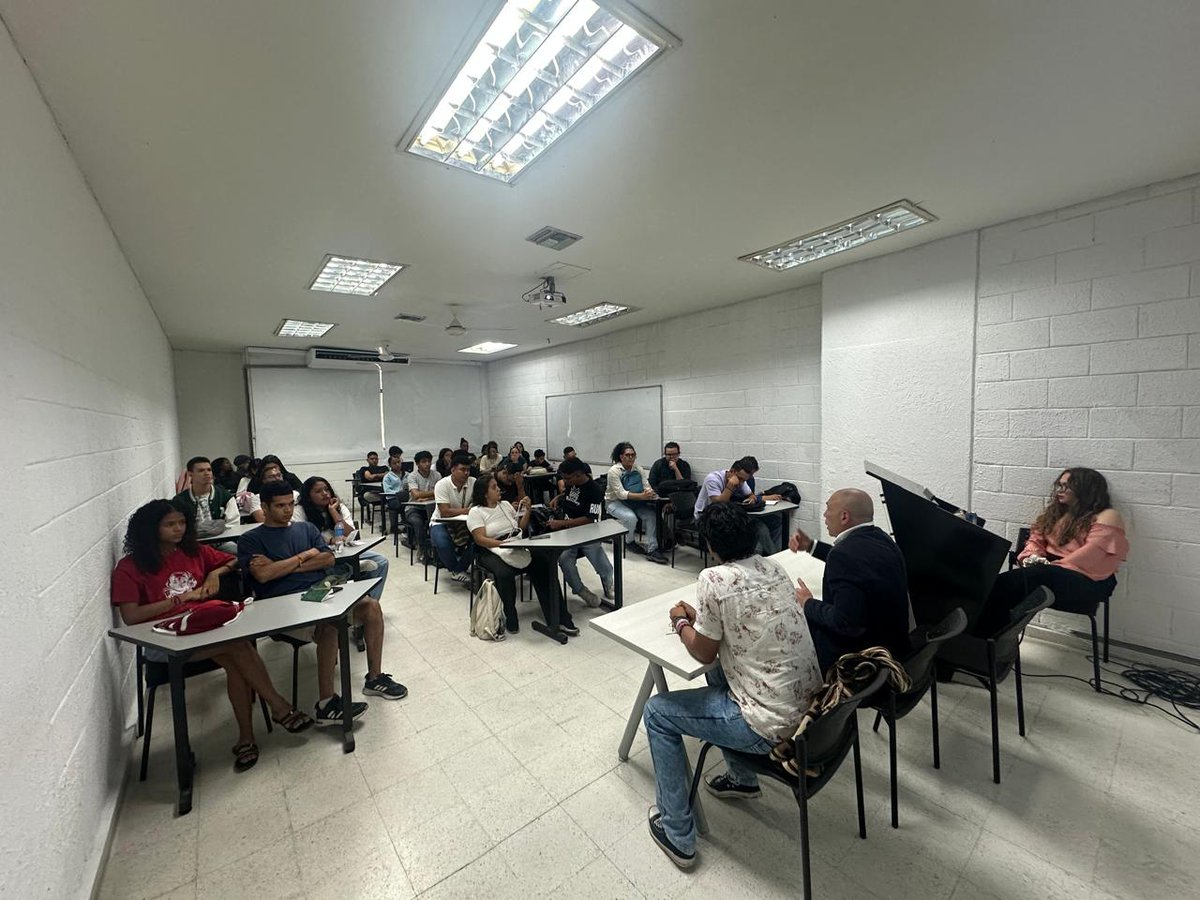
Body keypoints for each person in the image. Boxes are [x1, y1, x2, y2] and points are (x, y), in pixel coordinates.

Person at [643, 503, 822, 869]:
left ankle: (677, 834)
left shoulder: (712, 578)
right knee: (719, 674)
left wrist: (680, 623)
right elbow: (736, 627)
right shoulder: (773, 565)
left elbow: (703, 653)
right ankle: (741, 779)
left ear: (710, 545)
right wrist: (704, 620)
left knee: (657, 713)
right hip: (813, 714)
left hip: (770, 725)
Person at [112, 501, 314, 771]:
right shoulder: (130, 566)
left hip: (204, 628)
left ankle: (248, 738)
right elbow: (131, 617)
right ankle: (277, 708)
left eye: (182, 523)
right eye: (170, 525)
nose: (178, 529)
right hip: (163, 639)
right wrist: (180, 599)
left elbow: (233, 559)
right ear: (151, 529)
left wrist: (214, 574)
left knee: (235, 653)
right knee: (237, 648)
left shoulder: (191, 551)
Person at [239, 481, 407, 722]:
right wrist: (305, 555)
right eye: (279, 506)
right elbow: (263, 575)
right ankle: (326, 703)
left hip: (320, 593)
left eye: (289, 504)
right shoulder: (251, 540)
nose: (287, 510)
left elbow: (328, 560)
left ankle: (374, 678)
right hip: (283, 607)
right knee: (329, 624)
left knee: (371, 607)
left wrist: (282, 567)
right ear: (264, 507)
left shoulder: (305, 529)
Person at [975, 468, 1128, 637]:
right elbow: (1035, 540)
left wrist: (1050, 567)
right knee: (1006, 588)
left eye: (1066, 486)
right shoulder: (1056, 513)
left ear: (1085, 489)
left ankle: (982, 640)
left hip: (1087, 579)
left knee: (1011, 584)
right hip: (1048, 571)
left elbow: (1092, 555)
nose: (1060, 490)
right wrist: (1030, 558)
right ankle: (988, 639)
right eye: (1059, 486)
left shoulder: (1107, 515)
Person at [788, 488, 912, 671]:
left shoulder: (844, 555)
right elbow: (856, 564)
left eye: (828, 509)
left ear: (844, 516)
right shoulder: (883, 539)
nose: (824, 514)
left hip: (863, 659)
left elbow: (845, 623)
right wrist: (811, 546)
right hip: (894, 646)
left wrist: (807, 603)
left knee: (794, 623)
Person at [468, 473, 576, 637]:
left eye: (497, 486)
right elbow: (480, 539)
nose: (499, 489)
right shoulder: (476, 512)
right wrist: (503, 544)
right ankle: (510, 616)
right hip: (490, 549)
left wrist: (528, 510)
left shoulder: (504, 505)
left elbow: (520, 527)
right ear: (484, 493)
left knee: (544, 562)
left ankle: (559, 616)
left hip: (514, 543)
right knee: (504, 573)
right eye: (494, 487)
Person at [296, 476, 390, 602]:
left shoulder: (338, 507)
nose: (325, 494)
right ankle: (349, 577)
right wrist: (329, 541)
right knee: (337, 570)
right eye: (318, 491)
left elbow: (352, 534)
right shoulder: (300, 511)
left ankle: (371, 604)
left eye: (326, 490)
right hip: (320, 555)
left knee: (381, 562)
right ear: (308, 496)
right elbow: (302, 539)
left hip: (344, 550)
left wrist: (334, 512)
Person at [552, 458, 614, 607]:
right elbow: (571, 497)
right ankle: (581, 591)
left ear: (579, 474)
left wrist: (562, 523)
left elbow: (589, 519)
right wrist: (558, 498)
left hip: (588, 532)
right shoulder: (572, 484)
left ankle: (607, 579)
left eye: (567, 478)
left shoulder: (594, 490)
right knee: (564, 559)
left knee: (597, 555)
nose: (564, 481)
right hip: (568, 532)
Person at [695, 457, 780, 556]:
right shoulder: (712, 479)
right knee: (758, 528)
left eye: (743, 480)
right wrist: (730, 485)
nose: (740, 483)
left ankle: (770, 557)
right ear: (732, 471)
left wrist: (752, 499)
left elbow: (751, 494)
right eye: (739, 479)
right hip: (705, 516)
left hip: (724, 515)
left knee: (764, 525)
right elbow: (719, 504)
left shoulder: (741, 480)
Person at [605, 442, 667, 564]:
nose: (631, 458)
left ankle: (652, 549)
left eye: (633, 455)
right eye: (627, 455)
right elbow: (621, 494)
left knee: (651, 516)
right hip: (615, 502)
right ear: (621, 456)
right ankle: (629, 542)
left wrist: (650, 493)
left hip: (635, 502)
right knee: (631, 518)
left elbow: (646, 485)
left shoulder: (638, 469)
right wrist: (642, 496)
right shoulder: (614, 471)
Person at [430, 451, 476, 585]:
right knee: (442, 543)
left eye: (468, 470)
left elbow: (479, 504)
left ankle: (458, 569)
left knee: (478, 540)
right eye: (462, 469)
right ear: (453, 470)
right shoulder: (442, 484)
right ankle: (456, 569)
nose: (466, 473)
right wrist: (468, 510)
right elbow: (444, 512)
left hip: (465, 521)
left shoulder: (473, 482)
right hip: (440, 521)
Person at [172, 457, 240, 546]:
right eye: (201, 471)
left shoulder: (223, 495)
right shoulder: (180, 500)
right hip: (193, 545)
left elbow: (233, 523)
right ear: (190, 474)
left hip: (221, 542)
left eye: (209, 470)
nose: (207, 473)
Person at [401, 450, 439, 560]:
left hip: (431, 507)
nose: (427, 464)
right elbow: (416, 495)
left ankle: (437, 550)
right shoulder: (412, 476)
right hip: (414, 508)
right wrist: (434, 493)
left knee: (438, 521)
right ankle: (422, 550)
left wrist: (426, 497)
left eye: (429, 461)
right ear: (417, 464)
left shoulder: (436, 475)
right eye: (423, 461)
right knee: (418, 522)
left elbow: (441, 493)